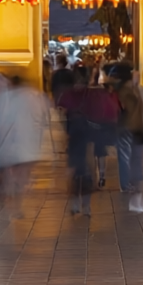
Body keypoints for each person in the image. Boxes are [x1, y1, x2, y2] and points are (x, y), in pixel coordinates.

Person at [57, 70, 119, 215]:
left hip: (75, 136)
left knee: (75, 170)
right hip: (90, 136)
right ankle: (86, 206)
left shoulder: (68, 94)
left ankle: (76, 204)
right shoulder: (93, 95)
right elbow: (105, 112)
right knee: (87, 171)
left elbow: (62, 112)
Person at [0, 74, 48, 216]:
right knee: (21, 177)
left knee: (9, 174)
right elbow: (42, 119)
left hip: (7, 143)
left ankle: (6, 199)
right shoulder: (34, 96)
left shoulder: (2, 98)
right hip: (26, 145)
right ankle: (17, 206)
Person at [110, 64, 143, 212]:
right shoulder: (141, 89)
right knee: (137, 158)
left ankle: (126, 185)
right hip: (140, 127)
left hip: (126, 126)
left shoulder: (123, 91)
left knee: (124, 156)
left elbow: (123, 108)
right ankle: (137, 186)